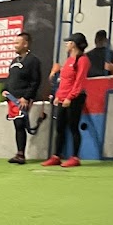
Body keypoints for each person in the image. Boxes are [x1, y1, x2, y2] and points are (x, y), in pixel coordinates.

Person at [42, 32, 90, 168]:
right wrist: (58, 96)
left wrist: (70, 97)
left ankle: (75, 157)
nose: (66, 44)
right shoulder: (69, 60)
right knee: (60, 127)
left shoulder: (82, 60)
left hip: (75, 98)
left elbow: (79, 81)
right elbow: (64, 80)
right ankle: (56, 156)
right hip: (63, 97)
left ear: (73, 44)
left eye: (68, 42)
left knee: (73, 127)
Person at [1, 32, 41, 165]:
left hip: (22, 99)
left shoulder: (33, 61)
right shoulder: (14, 61)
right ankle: (19, 153)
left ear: (25, 44)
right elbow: (10, 78)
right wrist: (5, 90)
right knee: (17, 125)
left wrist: (26, 97)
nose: (15, 45)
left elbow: (35, 81)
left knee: (20, 124)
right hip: (12, 98)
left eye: (17, 43)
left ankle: (21, 154)